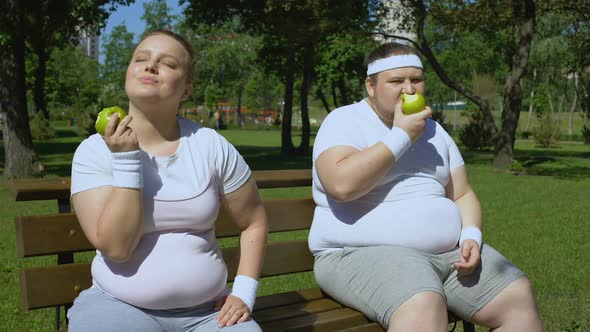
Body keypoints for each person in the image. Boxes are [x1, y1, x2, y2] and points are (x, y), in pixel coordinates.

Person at [309, 42, 543, 331]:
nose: (409, 89)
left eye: (416, 80)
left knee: (517, 296)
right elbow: (340, 185)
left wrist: (470, 234)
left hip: (448, 256)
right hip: (357, 252)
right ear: (371, 85)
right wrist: (401, 136)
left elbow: (463, 193)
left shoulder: (434, 131)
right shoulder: (344, 120)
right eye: (396, 81)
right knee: (422, 304)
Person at [68, 30, 268, 332]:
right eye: (141, 59)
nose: (150, 66)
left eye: (168, 63)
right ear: (128, 74)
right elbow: (117, 248)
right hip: (117, 306)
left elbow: (254, 220)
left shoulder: (210, 145)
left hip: (208, 314)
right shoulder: (94, 150)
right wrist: (125, 159)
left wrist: (243, 292)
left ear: (186, 90)